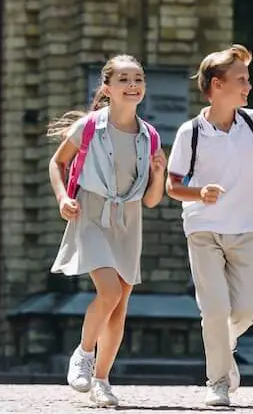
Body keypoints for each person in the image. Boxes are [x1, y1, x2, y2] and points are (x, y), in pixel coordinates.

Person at [166, 44, 253, 407]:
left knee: (246, 312)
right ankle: (217, 381)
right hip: (203, 230)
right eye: (242, 80)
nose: (248, 87)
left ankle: (223, 345)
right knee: (215, 310)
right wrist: (199, 193)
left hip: (244, 229)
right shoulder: (191, 132)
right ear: (217, 85)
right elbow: (173, 186)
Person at [48, 54, 167, 408]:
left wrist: (159, 174)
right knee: (109, 291)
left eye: (138, 79)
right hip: (92, 213)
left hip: (129, 220)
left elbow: (150, 201)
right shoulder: (87, 127)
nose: (133, 85)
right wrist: (61, 199)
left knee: (119, 306)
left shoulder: (150, 136)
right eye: (124, 79)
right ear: (107, 87)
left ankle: (102, 380)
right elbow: (58, 162)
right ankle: (83, 354)